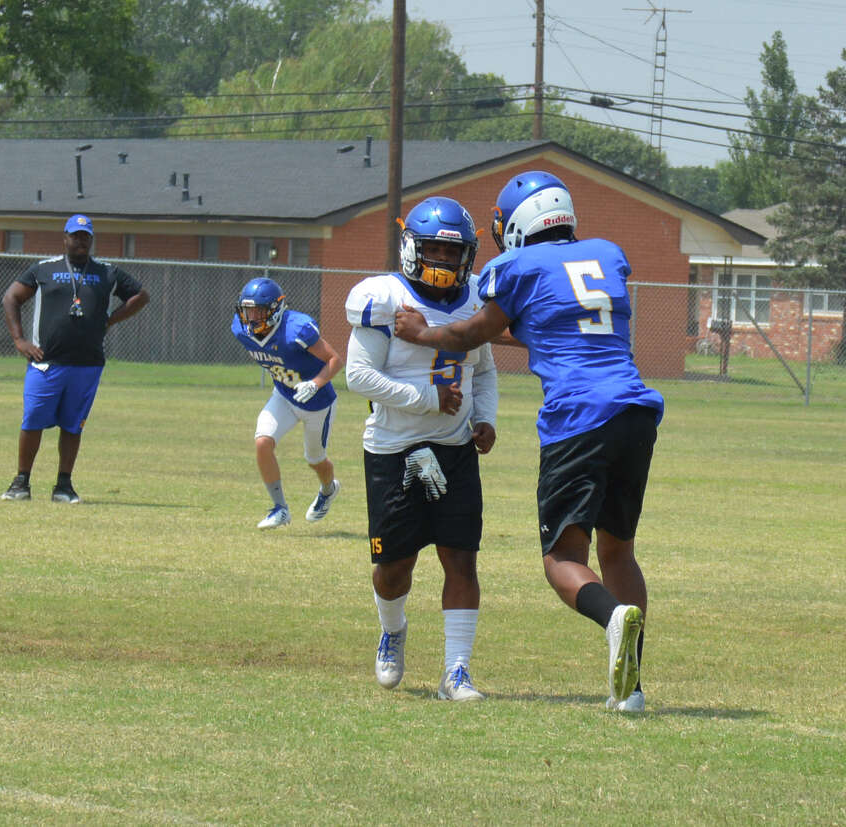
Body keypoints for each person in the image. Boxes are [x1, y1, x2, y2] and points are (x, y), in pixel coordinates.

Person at [394, 172, 664, 713]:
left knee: (562, 558)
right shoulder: (606, 255)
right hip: (635, 412)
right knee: (618, 549)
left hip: (579, 417)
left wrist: (420, 333)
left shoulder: (516, 267)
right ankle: (630, 690)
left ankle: (612, 617)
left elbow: (471, 333)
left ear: (516, 223)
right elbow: (554, 324)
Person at [345, 196, 498, 702]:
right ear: (412, 248)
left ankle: (457, 671)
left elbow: (485, 369)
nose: (444, 263)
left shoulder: (476, 297)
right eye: (433, 250)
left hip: (454, 447)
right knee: (395, 567)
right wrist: (427, 399)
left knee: (461, 559)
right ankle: (392, 629)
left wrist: (484, 418)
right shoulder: (384, 296)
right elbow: (359, 375)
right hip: (393, 448)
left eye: (453, 254)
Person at [1, 213, 150, 503]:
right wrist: (19, 340)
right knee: (32, 420)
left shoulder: (107, 273)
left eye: (85, 236)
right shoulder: (44, 269)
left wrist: (110, 319)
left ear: (91, 239)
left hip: (87, 363)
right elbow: (11, 298)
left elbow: (141, 296)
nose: (80, 240)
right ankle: (21, 482)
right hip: (46, 361)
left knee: (73, 424)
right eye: (75, 235)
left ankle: (63, 486)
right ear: (65, 238)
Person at [232, 277, 343, 529]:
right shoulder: (240, 329)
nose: (252, 318)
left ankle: (328, 489)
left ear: (275, 309)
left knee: (316, 460)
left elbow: (335, 359)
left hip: (317, 403)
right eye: (248, 311)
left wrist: (315, 383)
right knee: (262, 441)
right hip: (283, 395)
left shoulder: (297, 329)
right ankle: (280, 508)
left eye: (259, 311)